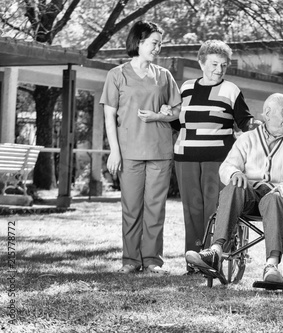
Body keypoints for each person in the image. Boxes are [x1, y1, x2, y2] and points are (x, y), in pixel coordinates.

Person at [185, 93, 283, 283]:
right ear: (268, 113)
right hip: (250, 197)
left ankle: (271, 266)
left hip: (280, 197)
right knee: (233, 186)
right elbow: (226, 166)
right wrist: (234, 174)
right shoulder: (247, 139)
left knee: (274, 197)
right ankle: (215, 252)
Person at [100, 20, 182, 275]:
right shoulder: (117, 74)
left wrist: (161, 115)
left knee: (155, 208)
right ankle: (131, 260)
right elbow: (109, 116)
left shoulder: (164, 76)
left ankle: (153, 260)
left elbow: (177, 110)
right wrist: (114, 151)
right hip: (129, 151)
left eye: (160, 43)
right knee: (131, 207)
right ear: (139, 42)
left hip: (159, 150)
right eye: (154, 43)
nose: (158, 48)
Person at [173, 40, 258, 275]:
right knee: (192, 210)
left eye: (224, 65)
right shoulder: (186, 88)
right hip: (185, 156)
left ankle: (213, 258)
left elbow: (244, 121)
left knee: (214, 209)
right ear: (201, 63)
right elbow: (175, 120)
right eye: (214, 64)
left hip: (219, 158)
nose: (219, 69)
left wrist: (254, 127)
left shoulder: (231, 90)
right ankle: (193, 261)